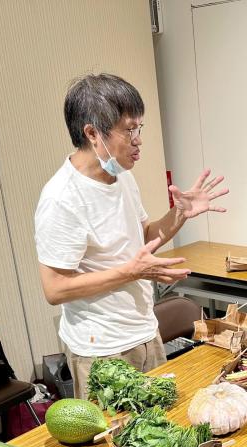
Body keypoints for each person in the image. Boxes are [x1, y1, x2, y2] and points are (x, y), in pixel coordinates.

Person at [35, 74, 228, 399]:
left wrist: (179, 214)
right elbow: (55, 289)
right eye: (129, 130)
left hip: (143, 330)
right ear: (93, 133)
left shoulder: (122, 177)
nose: (138, 140)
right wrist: (132, 272)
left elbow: (143, 238)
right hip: (102, 349)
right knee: (119, 441)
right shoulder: (61, 199)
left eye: (140, 128)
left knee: (160, 427)